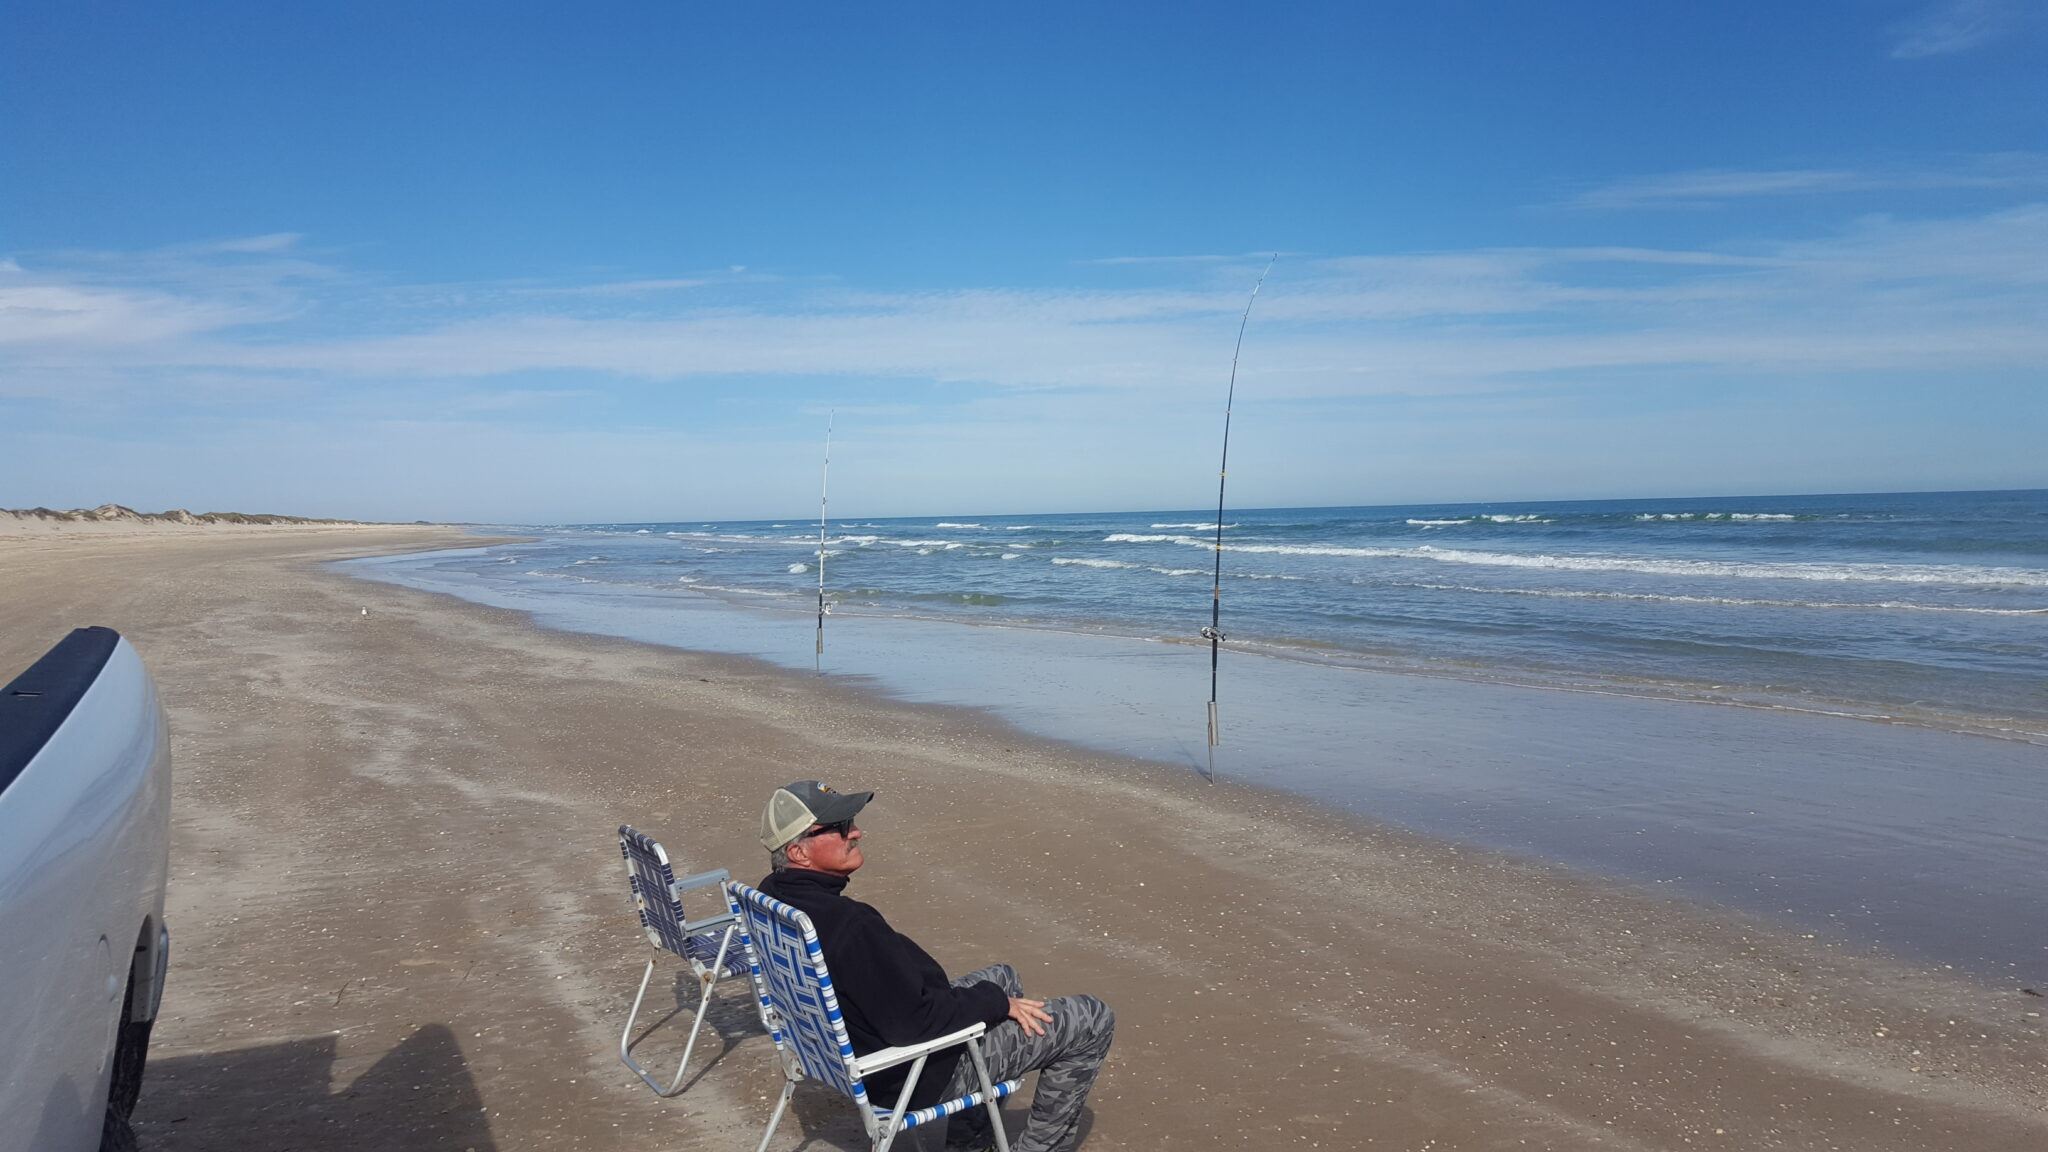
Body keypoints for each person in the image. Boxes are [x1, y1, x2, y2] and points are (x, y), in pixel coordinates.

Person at [757, 780, 1114, 1152]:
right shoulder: (850, 926)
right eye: (842, 827)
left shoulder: (773, 899)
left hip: (840, 1054)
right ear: (798, 852)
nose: (857, 832)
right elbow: (914, 1023)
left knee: (1003, 978)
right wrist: (996, 1004)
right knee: (1092, 1020)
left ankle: (968, 1144)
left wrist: (993, 998)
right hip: (907, 1074)